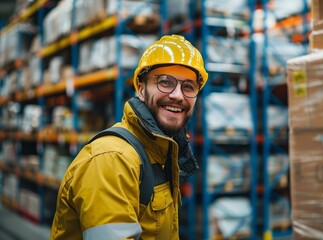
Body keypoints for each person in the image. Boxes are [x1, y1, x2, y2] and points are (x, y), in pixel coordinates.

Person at [50, 34, 208, 240]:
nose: (178, 95)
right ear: (141, 89)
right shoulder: (112, 159)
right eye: (165, 82)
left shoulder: (162, 155)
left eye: (188, 87)